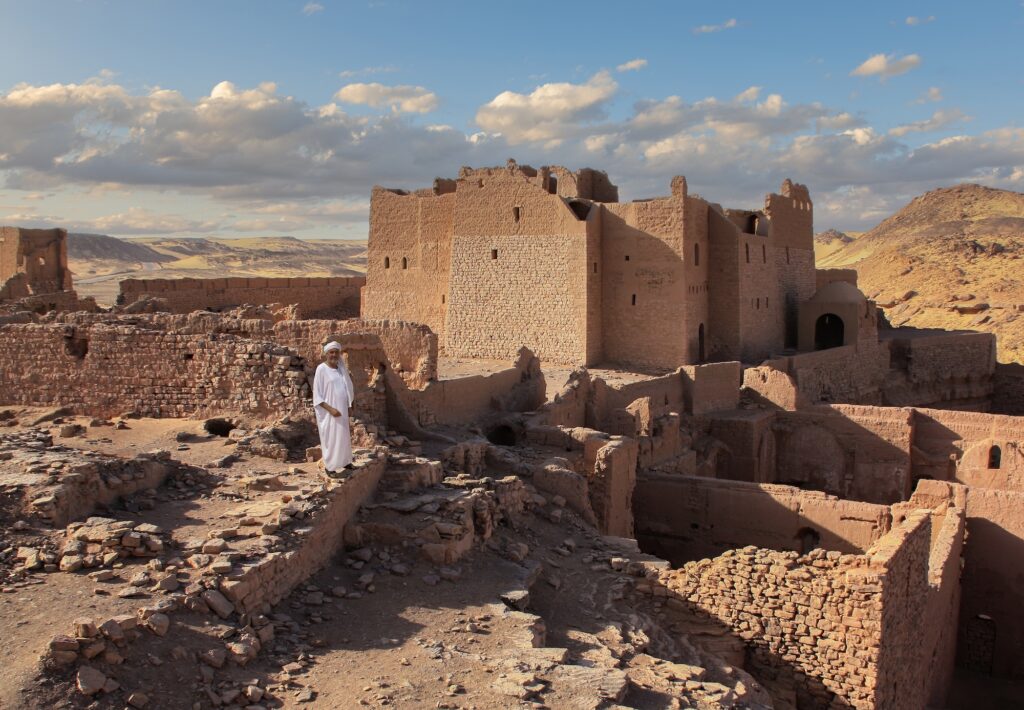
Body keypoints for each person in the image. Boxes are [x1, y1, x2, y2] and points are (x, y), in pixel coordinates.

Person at [313, 341, 354, 473]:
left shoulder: (341, 369)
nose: (334, 354)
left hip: (342, 410)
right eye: (331, 352)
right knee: (331, 439)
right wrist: (331, 409)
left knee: (344, 437)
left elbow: (347, 388)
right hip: (329, 412)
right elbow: (317, 395)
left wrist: (349, 405)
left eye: (336, 352)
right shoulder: (321, 369)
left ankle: (346, 462)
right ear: (326, 354)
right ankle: (330, 468)